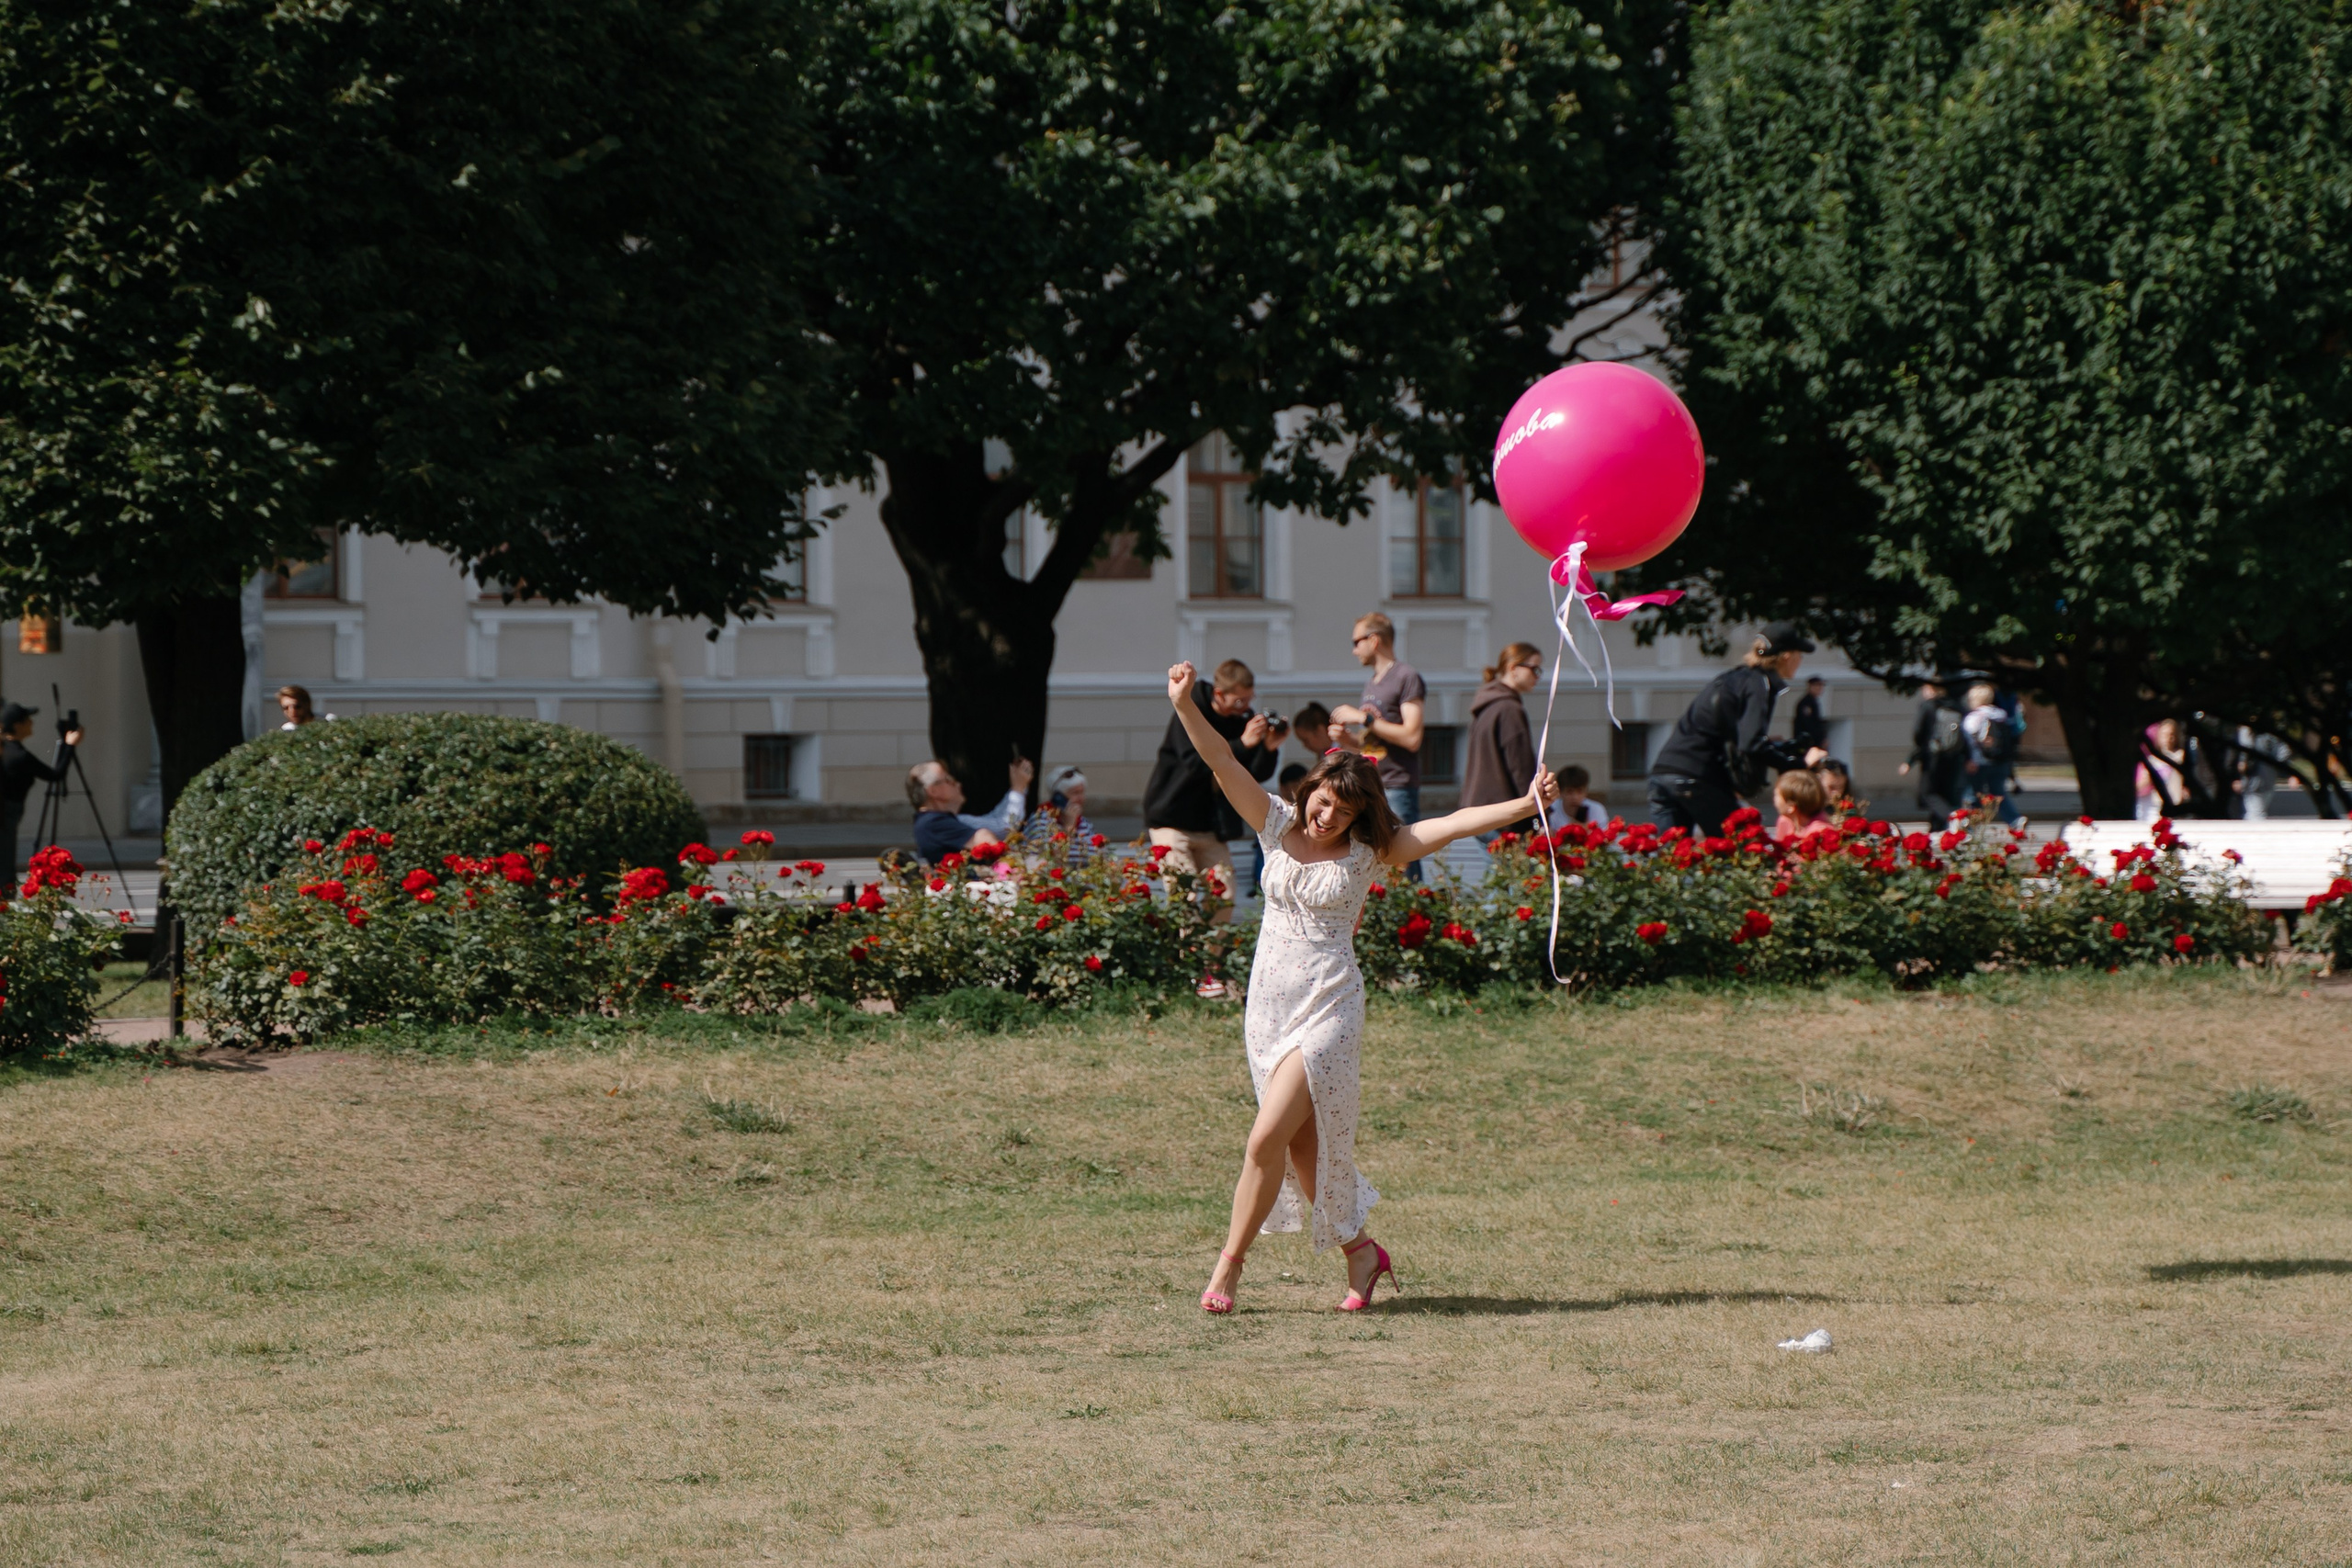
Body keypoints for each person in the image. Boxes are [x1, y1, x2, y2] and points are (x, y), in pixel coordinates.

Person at [1165, 660, 1561, 1317]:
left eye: (1344, 811)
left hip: (1329, 1006)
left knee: (1263, 1140)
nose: (1327, 817)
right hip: (1268, 1007)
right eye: (1323, 802)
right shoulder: (1274, 823)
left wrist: (1525, 805)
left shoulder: (1370, 851)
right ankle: (1361, 1251)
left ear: (1360, 815)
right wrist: (1184, 703)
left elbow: (1454, 822)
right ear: (1310, 789)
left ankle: (1228, 1267)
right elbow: (1221, 760)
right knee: (1302, 1149)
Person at [1646, 623, 1828, 836]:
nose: (1801, 661)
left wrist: (1772, 746)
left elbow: (1730, 735)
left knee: (1674, 854)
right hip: (1697, 776)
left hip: (1662, 775)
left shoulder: (1733, 678)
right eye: (1800, 655)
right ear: (1787, 657)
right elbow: (1751, 744)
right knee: (1742, 844)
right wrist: (1798, 764)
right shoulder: (1759, 684)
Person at [1142, 659, 1280, 916]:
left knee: (1224, 895)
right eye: (1239, 701)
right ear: (1219, 693)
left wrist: (1268, 748)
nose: (1245, 707)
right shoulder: (1192, 711)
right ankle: (1186, 944)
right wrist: (1241, 744)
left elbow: (1253, 775)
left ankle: (1215, 945)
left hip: (1209, 826)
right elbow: (1195, 765)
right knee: (1185, 896)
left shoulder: (1241, 720)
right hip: (1172, 819)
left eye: (1249, 699)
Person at [1330, 613, 1427, 879]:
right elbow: (1374, 745)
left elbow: (1412, 737)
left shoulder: (1406, 676)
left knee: (1404, 864)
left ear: (1374, 640)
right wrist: (1348, 740)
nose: (1354, 650)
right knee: (1380, 865)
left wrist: (1364, 718)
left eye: (1356, 642)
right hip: (1373, 785)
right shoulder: (1372, 682)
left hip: (1397, 786)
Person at [0, 702, 80, 883]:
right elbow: (55, 775)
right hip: (8, 813)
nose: (32, 723)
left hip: (6, 811)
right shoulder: (20, 755)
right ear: (18, 726)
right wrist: (70, 745)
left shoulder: (6, 750)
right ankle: (5, 895)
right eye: (28, 720)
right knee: (5, 869)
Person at [1461, 642, 1542, 813]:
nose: (1538, 676)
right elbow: (1521, 767)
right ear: (1513, 668)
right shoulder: (1509, 709)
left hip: (1479, 808)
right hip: (1502, 812)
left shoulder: (1489, 703)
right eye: (1534, 669)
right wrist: (1537, 812)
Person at [908, 755, 1033, 863]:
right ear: (933, 791)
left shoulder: (939, 821)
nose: (958, 784)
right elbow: (1002, 829)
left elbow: (995, 821)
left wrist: (1018, 788)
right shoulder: (933, 823)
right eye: (948, 780)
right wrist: (1018, 789)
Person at [1899, 681, 1966, 822]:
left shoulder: (1928, 706)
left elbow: (1919, 734)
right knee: (1944, 794)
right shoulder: (1956, 706)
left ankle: (1953, 817)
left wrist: (1910, 760)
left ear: (1931, 689)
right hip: (1953, 756)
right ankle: (1937, 828)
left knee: (1927, 793)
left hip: (1932, 756)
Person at [1961, 683, 2022, 825]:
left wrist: (1969, 759)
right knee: (1998, 794)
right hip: (2000, 761)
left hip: (1979, 762)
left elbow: (1968, 740)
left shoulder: (1974, 717)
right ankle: (2015, 820)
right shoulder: (2001, 715)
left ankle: (1971, 825)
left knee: (1972, 794)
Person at [1024, 766, 1097, 866]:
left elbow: (1094, 857)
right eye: (1075, 793)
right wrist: (1068, 828)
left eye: (1082, 792)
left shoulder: (1084, 823)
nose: (1081, 798)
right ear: (1058, 798)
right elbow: (1049, 858)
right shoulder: (1040, 820)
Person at [1771, 767, 1833, 843]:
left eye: (1776, 795)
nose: (1774, 799)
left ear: (1791, 807)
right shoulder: (1784, 822)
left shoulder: (1821, 833)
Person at [1546, 764, 1609, 830]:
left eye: (1579, 792)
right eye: (1569, 792)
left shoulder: (1597, 810)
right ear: (1560, 792)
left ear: (1586, 792)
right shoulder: (1551, 810)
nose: (1575, 797)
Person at [1792, 675, 1829, 752]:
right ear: (1810, 686)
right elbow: (1809, 725)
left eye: (1821, 686)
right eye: (1817, 685)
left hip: (1813, 743)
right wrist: (1819, 739)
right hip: (1807, 743)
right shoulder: (1806, 703)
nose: (1820, 688)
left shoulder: (1813, 702)